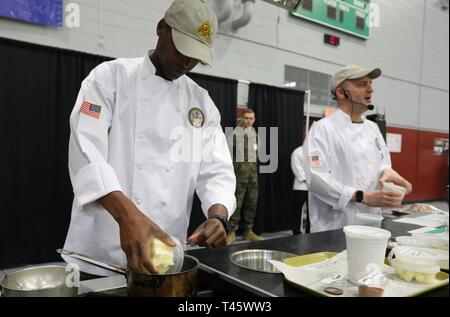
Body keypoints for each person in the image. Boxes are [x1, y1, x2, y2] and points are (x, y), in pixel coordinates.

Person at [63, 0, 236, 276]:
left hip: (163, 259)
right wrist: (127, 216)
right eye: (182, 49)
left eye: (196, 57)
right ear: (161, 29)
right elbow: (86, 152)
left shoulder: (201, 103)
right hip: (99, 258)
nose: (187, 62)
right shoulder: (109, 79)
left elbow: (216, 170)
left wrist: (218, 215)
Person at [303, 65, 412, 233]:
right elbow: (316, 178)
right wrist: (362, 197)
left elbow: (382, 163)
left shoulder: (373, 128)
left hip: (371, 222)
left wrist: (390, 174)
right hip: (334, 225)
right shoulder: (322, 129)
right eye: (362, 84)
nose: (371, 89)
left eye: (370, 83)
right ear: (341, 93)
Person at [227, 109, 262, 243]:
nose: (249, 121)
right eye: (246, 118)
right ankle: (231, 232)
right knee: (237, 203)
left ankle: (248, 231)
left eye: (251, 118)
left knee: (251, 203)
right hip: (239, 175)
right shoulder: (236, 133)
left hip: (253, 176)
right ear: (242, 118)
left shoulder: (255, 134)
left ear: (254, 119)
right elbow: (229, 150)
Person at [291, 146, 309, 235]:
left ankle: (309, 231)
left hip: (313, 188)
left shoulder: (316, 152)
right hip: (300, 186)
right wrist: (306, 179)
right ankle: (296, 231)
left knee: (311, 211)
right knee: (297, 210)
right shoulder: (297, 151)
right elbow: (296, 167)